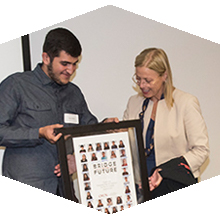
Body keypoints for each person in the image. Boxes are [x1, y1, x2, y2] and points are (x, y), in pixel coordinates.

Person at [0, 27, 118, 198]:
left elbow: (88, 129)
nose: (70, 70)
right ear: (46, 57)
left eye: (74, 64)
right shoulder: (16, 85)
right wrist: (38, 133)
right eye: (64, 64)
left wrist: (105, 127)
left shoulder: (74, 93)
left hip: (64, 190)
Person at [123, 48, 209, 199]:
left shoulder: (186, 103)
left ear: (164, 76)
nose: (142, 85)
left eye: (148, 80)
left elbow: (201, 150)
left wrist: (165, 171)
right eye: (138, 79)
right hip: (141, 190)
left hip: (175, 186)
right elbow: (125, 144)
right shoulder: (134, 103)